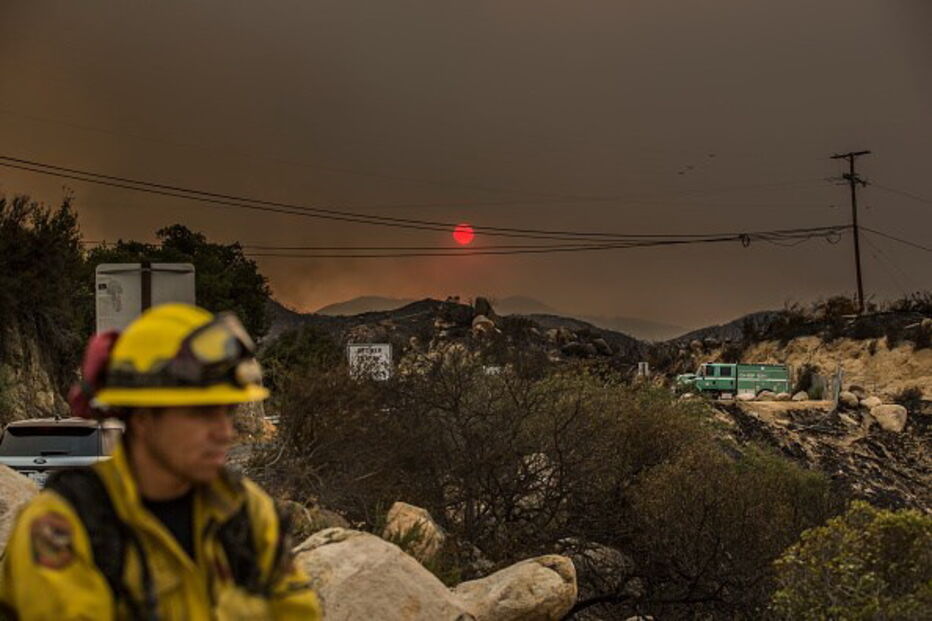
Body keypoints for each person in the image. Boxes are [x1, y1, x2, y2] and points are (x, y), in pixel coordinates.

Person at [0, 303, 321, 620]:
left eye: (226, 412)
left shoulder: (246, 512)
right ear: (142, 418)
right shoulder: (65, 526)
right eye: (201, 414)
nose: (225, 432)